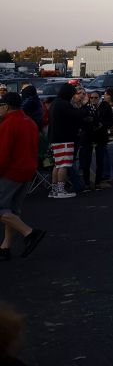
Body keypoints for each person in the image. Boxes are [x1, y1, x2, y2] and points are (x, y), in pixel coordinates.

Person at [0, 91, 46, 259]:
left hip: (11, 172)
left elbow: (3, 154)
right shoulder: (29, 122)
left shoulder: (7, 124)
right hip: (27, 171)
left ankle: (29, 233)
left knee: (3, 209)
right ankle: (6, 247)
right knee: (13, 210)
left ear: (5, 106)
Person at [46, 83, 81, 199]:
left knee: (57, 165)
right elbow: (76, 115)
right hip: (65, 139)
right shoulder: (64, 104)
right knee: (64, 165)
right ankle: (61, 190)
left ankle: (54, 189)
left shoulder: (55, 103)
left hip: (54, 138)